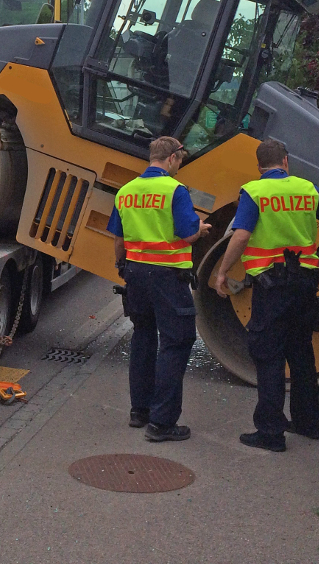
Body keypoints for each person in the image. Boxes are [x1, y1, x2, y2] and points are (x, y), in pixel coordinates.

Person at [212, 139, 319, 452]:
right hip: (305, 285)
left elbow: (242, 234)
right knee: (301, 354)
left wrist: (222, 271)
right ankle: (308, 424)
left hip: (272, 286)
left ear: (260, 166)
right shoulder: (307, 189)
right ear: (286, 162)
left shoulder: (254, 192)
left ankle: (271, 433)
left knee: (269, 355)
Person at [108, 136, 211, 442]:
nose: (180, 165)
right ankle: (162, 422)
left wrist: (122, 267)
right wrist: (201, 229)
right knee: (176, 341)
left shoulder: (126, 191)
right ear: (171, 159)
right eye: (181, 159)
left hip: (136, 274)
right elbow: (187, 233)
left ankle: (139, 411)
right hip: (168, 277)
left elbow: (118, 239)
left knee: (142, 336)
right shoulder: (174, 190)